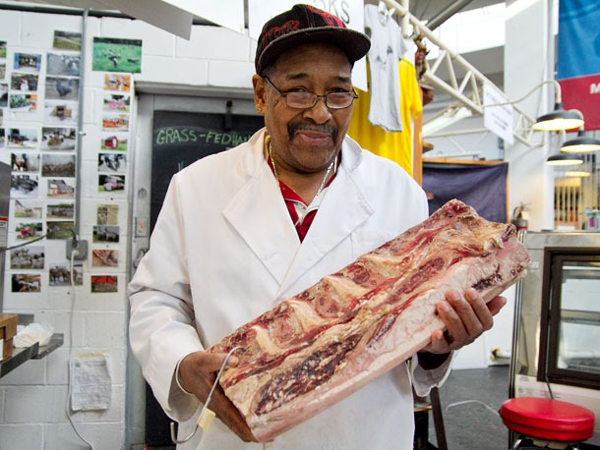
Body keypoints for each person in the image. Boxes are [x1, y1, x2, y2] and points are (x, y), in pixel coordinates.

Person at [128, 5, 506, 449]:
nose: (322, 113)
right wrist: (182, 363)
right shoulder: (196, 187)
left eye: (338, 93)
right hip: (234, 436)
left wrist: (438, 344)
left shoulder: (396, 192)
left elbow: (418, 327)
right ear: (260, 94)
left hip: (361, 435)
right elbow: (157, 299)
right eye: (298, 91)